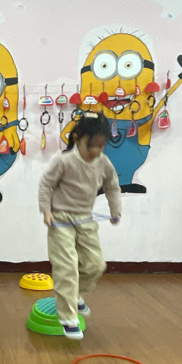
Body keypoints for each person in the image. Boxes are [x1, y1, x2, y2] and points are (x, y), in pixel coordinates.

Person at [38, 112, 121, 339]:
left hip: (85, 219)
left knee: (96, 264)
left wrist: (115, 210)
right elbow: (46, 184)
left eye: (101, 146)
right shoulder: (65, 161)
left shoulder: (103, 163)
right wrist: (46, 210)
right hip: (60, 220)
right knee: (66, 267)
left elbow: (113, 186)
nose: (96, 151)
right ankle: (68, 317)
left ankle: (75, 295)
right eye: (91, 145)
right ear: (77, 138)